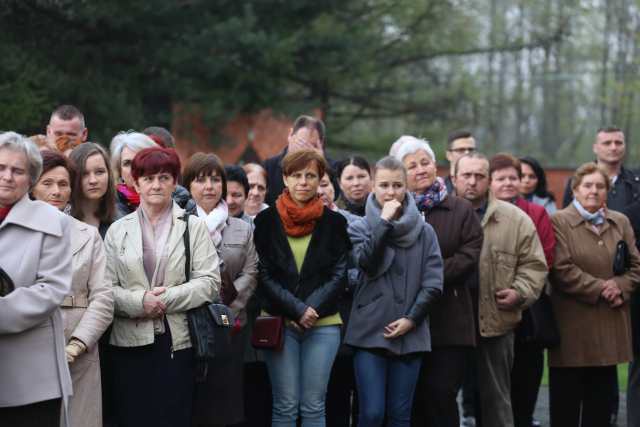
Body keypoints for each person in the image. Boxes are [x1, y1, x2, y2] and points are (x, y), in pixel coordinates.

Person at [103, 147, 220, 427]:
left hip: (176, 340)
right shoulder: (118, 230)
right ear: (135, 182)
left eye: (164, 177)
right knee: (133, 417)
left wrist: (165, 298)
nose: (156, 185)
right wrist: (139, 302)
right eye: (148, 178)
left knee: (173, 416)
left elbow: (210, 282)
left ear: (175, 182)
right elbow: (105, 289)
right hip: (128, 342)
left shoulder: (193, 226)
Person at [253, 149, 351, 427]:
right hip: (279, 322)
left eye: (311, 176)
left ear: (321, 180)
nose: (304, 182)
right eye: (297, 175)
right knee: (285, 405)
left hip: (324, 323)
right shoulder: (266, 221)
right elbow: (263, 273)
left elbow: (339, 273)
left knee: (313, 405)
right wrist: (296, 309)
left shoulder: (335, 223)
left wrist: (312, 309)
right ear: (285, 178)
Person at [391, 137, 483, 427]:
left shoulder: (460, 209)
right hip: (406, 322)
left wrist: (427, 275)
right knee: (413, 400)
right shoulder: (393, 210)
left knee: (441, 395)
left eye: (425, 162)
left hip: (450, 321)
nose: (421, 169)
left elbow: (469, 256)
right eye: (412, 165)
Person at [346, 155, 443, 427]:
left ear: (407, 187)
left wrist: (411, 319)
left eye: (397, 186)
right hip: (369, 333)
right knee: (372, 413)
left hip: (410, 335)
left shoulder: (426, 233)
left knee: (400, 415)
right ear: (374, 187)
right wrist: (383, 224)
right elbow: (367, 264)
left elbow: (433, 283)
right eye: (384, 185)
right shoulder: (360, 227)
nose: (391, 192)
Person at [453, 152, 548, 427]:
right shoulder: (438, 215)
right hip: (447, 323)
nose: (472, 182)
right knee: (441, 399)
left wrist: (520, 292)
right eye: (466, 175)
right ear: (454, 178)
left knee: (496, 402)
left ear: (489, 180)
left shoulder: (515, 220)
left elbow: (534, 265)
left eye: (479, 176)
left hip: (496, 323)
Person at [549, 162, 640, 427]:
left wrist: (621, 286)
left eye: (600, 186)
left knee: (600, 408)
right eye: (587, 185)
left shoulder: (620, 221)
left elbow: (636, 265)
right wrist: (603, 287)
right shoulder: (559, 221)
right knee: (566, 408)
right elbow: (561, 268)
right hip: (571, 330)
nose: (594, 191)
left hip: (609, 327)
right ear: (575, 189)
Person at [31, 150, 114, 427]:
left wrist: (78, 344)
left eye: (63, 184)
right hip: (26, 349)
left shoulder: (88, 235)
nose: (56, 191)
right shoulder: (12, 233)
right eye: (47, 183)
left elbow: (103, 297)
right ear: (32, 186)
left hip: (80, 351)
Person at [0, 132, 73, 426]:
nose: (7, 177)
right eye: (0, 168)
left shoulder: (51, 221)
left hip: (29, 379)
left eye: (17, 171)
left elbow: (50, 289)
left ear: (31, 178)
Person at [183, 152, 259, 427]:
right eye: (201, 180)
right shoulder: (179, 224)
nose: (209, 186)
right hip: (189, 321)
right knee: (193, 401)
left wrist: (225, 310)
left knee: (226, 401)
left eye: (215, 180)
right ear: (189, 185)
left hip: (231, 323)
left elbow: (250, 273)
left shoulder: (241, 228)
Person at [489, 153, 556, 427]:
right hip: (490, 309)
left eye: (513, 178)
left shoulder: (536, 213)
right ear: (490, 182)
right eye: (501, 178)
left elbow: (546, 256)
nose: (508, 183)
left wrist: (518, 288)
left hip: (528, 311)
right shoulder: (479, 212)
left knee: (526, 383)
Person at [264, 115, 339, 205]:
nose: (304, 153)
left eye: (310, 146)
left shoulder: (333, 167)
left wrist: (322, 164)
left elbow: (336, 195)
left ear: (321, 143)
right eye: (300, 144)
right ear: (290, 135)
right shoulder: (269, 167)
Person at [69, 143, 117, 238]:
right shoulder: (62, 220)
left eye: (99, 172)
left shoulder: (121, 221)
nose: (93, 180)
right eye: (84, 174)